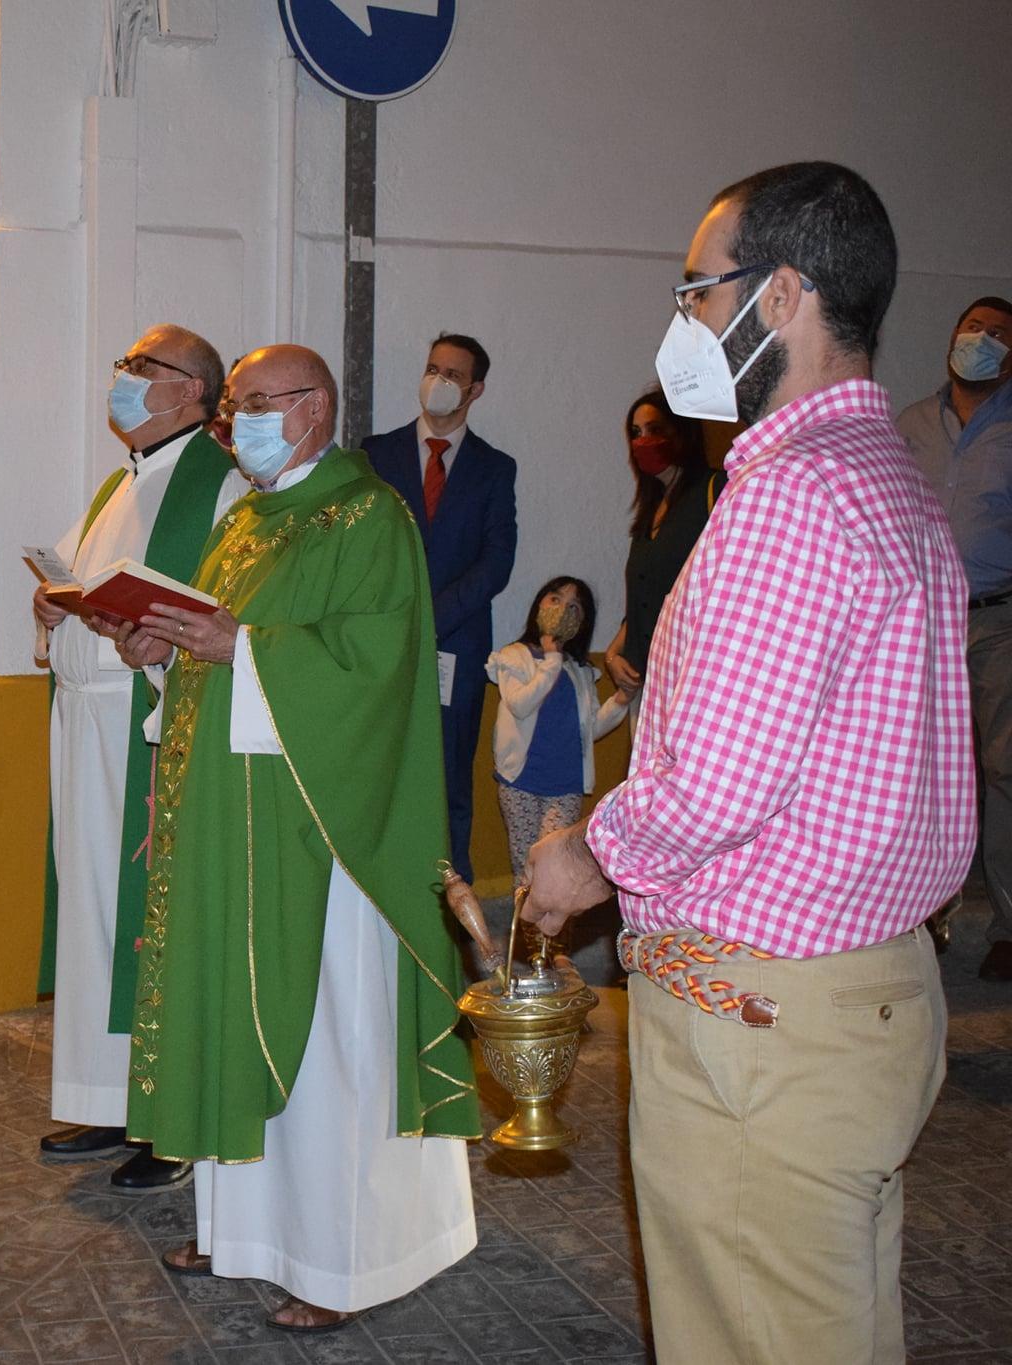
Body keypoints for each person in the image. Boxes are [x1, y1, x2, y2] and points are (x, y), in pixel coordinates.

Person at [523, 162, 974, 1365]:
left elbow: (715, 788)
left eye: (693, 291)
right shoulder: (887, 478)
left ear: (777, 296)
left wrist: (579, 856)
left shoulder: (790, 499)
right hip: (858, 995)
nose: (679, 321)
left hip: (763, 1018)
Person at [109, 343, 477, 1332]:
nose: (239, 425)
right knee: (232, 1017)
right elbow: (210, 644)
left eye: (254, 405)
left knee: (325, 1049)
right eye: (232, 409)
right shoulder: (243, 520)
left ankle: (341, 1258)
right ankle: (242, 1235)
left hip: (323, 828)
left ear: (313, 408)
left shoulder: (369, 517)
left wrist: (244, 649)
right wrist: (157, 645)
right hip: (230, 819)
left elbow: (376, 668)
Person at [33, 322, 246, 1193]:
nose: (123, 377)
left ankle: (172, 1119)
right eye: (124, 362)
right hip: (86, 726)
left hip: (150, 731)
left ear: (191, 390)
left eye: (142, 366)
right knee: (93, 915)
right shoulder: (116, 486)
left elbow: (226, 613)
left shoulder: (221, 487)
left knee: (148, 917)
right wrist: (57, 613)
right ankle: (111, 1096)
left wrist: (158, 647)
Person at [363, 335, 517, 880]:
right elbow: (359, 551)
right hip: (379, 643)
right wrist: (394, 617)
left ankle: (452, 904)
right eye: (433, 368)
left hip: (454, 646)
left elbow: (496, 564)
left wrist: (429, 618)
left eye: (453, 374)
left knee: (449, 778)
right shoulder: (374, 455)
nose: (439, 381)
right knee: (376, 768)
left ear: (475, 389)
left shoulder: (496, 469)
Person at [897, 296, 1012, 980]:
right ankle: (920, 914)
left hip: (998, 620)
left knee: (1003, 770)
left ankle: (1006, 924)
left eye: (998, 334)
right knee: (922, 772)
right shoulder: (912, 421)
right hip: (925, 622)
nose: (981, 340)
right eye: (972, 327)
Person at [484, 577, 630, 885]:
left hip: (565, 784)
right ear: (540, 603)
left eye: (574, 606)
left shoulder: (579, 670)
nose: (562, 609)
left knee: (553, 869)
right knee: (525, 867)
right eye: (555, 599)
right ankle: (523, 932)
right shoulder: (513, 657)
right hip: (521, 780)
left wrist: (620, 700)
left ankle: (551, 934)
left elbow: (591, 728)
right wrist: (550, 660)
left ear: (582, 622)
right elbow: (520, 704)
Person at [604, 391, 720, 694]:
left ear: (681, 432)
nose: (643, 441)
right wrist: (614, 654)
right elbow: (645, 597)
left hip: (696, 680)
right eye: (636, 433)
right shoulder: (650, 511)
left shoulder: (716, 490)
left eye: (655, 430)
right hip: (646, 680)